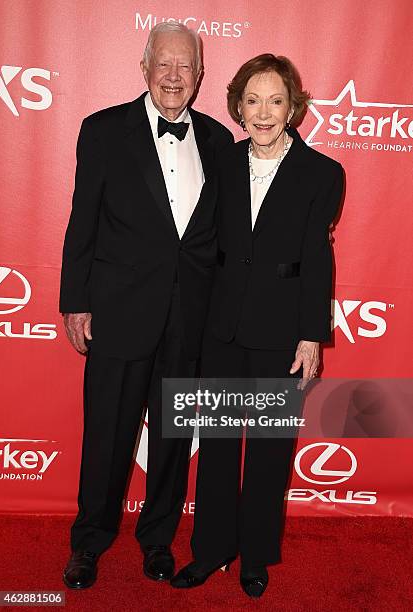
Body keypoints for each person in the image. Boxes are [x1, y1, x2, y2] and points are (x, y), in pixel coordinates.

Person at [59, 22, 233, 589]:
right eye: (165, 64)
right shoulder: (104, 130)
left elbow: (221, 239)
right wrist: (75, 300)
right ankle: (89, 542)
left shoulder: (217, 140)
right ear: (145, 68)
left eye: (186, 66)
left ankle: (157, 539)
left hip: (191, 320)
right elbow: (82, 219)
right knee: (106, 436)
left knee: (174, 436)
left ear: (201, 75)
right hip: (119, 312)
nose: (175, 76)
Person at [171, 54, 344, 597]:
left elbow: (317, 258)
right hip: (221, 327)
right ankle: (211, 549)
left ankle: (255, 556)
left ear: (293, 107)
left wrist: (311, 333)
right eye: (252, 101)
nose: (263, 113)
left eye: (275, 101)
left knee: (270, 450)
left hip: (282, 333)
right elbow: (202, 245)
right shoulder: (222, 161)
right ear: (237, 107)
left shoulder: (322, 173)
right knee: (219, 445)